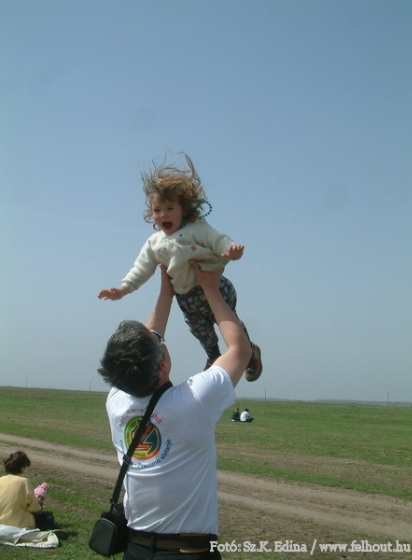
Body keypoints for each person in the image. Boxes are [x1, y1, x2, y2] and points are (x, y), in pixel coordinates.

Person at [98, 262, 252, 559]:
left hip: (136, 549)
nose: (158, 337)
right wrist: (210, 288)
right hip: (188, 552)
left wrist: (166, 292)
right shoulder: (194, 400)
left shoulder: (116, 402)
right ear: (162, 366)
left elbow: (145, 344)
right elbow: (240, 350)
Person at [98, 152, 262, 381]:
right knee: (200, 331)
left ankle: (248, 351)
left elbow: (218, 240)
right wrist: (123, 289)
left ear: (184, 209)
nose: (162, 214)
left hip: (215, 285)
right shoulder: (154, 243)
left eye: (169, 208)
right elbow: (141, 268)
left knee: (228, 321)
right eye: (157, 210)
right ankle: (213, 356)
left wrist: (231, 250)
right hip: (187, 298)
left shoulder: (197, 227)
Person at [0, 451, 55, 531]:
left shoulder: (1, 480)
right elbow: (34, 508)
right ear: (22, 468)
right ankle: (49, 531)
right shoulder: (24, 482)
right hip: (17, 524)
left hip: (1, 522)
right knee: (47, 516)